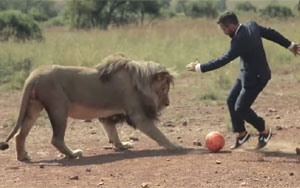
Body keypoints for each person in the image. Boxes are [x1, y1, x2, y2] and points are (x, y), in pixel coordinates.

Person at [186, 11, 300, 149]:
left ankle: (264, 131)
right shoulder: (251, 25)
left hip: (257, 78)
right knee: (230, 100)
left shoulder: (240, 40)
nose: (224, 32)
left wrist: (199, 67)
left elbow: (223, 59)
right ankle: (242, 134)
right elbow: (271, 33)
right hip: (246, 73)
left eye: (224, 29)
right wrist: (290, 45)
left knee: (241, 108)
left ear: (232, 26)